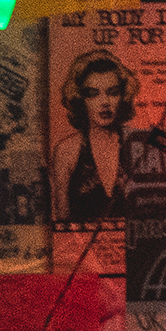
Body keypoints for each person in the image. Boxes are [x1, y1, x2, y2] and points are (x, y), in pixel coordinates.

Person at [50, 49, 138, 221]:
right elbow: (63, 224)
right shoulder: (67, 152)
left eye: (112, 92)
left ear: (123, 96)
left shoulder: (138, 143)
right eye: (93, 94)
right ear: (81, 98)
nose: (104, 102)